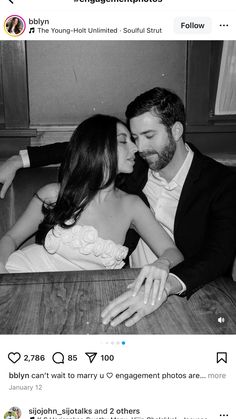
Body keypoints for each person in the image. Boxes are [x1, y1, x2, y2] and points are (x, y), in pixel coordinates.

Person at [1, 87, 236, 326]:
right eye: (134, 138)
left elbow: (218, 254)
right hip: (116, 284)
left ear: (176, 131)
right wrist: (19, 159)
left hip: (184, 284)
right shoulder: (135, 166)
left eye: (149, 135)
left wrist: (168, 277)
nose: (140, 147)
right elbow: (87, 146)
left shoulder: (220, 183)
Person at [0, 114, 183, 307]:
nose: (135, 148)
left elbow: (173, 253)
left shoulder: (133, 205)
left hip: (82, 301)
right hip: (22, 281)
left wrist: (162, 264)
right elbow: (10, 239)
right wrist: (3, 276)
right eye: (123, 141)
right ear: (100, 148)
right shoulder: (54, 194)